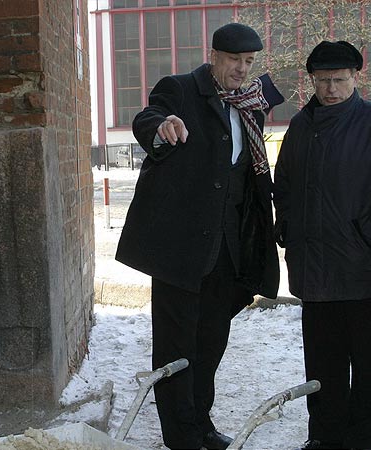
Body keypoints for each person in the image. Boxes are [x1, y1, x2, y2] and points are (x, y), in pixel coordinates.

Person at [116, 23, 283, 450]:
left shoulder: (250, 107)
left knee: (210, 341)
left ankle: (201, 422)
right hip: (181, 248)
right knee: (175, 347)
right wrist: (161, 127)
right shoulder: (181, 89)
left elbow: (245, 176)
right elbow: (148, 118)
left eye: (248, 62)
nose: (241, 70)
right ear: (213, 55)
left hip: (227, 248)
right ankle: (181, 435)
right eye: (233, 60)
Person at [273, 40, 371, 450]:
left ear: (356, 77)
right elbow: (282, 185)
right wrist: (287, 229)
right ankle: (323, 437)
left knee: (369, 370)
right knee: (323, 368)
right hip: (313, 274)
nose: (330, 89)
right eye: (322, 81)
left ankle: (361, 442)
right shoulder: (301, 126)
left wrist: (370, 239)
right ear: (312, 81)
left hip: (360, 271)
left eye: (338, 80)